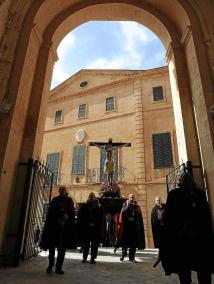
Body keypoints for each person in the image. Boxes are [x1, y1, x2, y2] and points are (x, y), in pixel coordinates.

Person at [159, 172, 214, 284]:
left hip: (199, 240)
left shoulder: (200, 194)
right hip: (182, 242)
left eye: (189, 180)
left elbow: (206, 217)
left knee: (204, 273)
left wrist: (196, 201)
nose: (188, 183)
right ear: (180, 182)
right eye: (185, 180)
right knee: (184, 274)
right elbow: (169, 219)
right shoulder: (174, 195)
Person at [39, 186, 76, 274]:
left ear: (66, 191)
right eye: (61, 190)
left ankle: (59, 267)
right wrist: (58, 217)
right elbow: (50, 213)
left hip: (65, 228)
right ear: (59, 191)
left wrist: (68, 216)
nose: (62, 191)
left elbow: (72, 212)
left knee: (62, 249)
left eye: (64, 190)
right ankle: (50, 265)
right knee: (52, 247)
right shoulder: (54, 200)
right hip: (54, 227)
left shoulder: (69, 200)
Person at [77, 192, 106, 264]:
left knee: (94, 245)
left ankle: (92, 258)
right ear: (88, 198)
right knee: (86, 244)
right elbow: (81, 217)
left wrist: (95, 224)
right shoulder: (84, 206)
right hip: (86, 228)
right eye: (90, 197)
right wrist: (87, 223)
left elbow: (101, 219)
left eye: (93, 197)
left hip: (95, 229)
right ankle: (84, 258)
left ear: (95, 198)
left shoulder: (99, 208)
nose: (91, 198)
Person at [117, 194, 145, 262]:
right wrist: (128, 205)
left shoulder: (137, 206)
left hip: (134, 228)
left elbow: (139, 216)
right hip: (127, 227)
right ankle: (123, 255)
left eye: (133, 197)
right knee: (125, 243)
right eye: (130, 197)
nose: (131, 198)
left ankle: (132, 258)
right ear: (128, 198)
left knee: (133, 244)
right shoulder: (125, 205)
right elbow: (123, 212)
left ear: (134, 198)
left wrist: (134, 219)